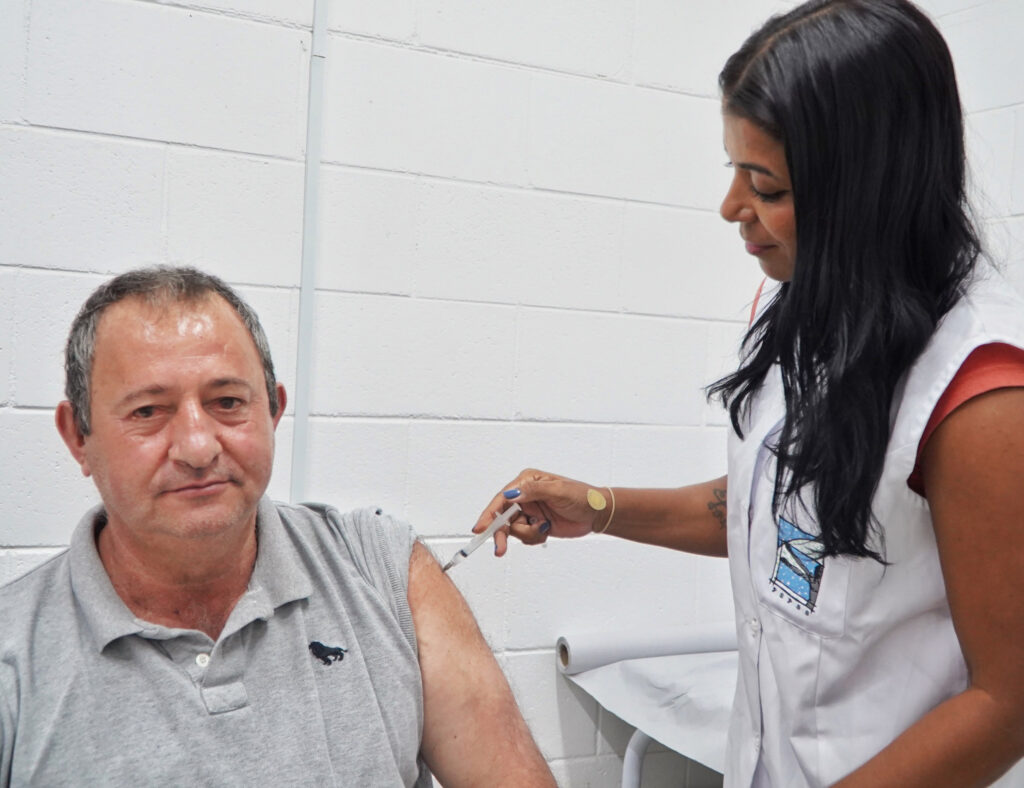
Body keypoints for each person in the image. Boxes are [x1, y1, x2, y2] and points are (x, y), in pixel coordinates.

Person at [473, 1, 1024, 786]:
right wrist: (596, 507)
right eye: (733, 170)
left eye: (764, 185)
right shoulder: (797, 308)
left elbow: (1007, 702)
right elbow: (778, 510)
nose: (731, 206)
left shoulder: (980, 391)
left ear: (865, 190)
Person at [0, 266, 555, 787]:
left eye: (227, 402)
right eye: (148, 411)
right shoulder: (15, 659)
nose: (197, 447)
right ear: (78, 437)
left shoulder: (380, 571)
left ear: (273, 412)